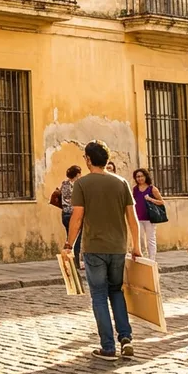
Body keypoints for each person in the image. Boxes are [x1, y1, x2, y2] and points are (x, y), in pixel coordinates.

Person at [64, 141, 141, 361]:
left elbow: (77, 218)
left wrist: (69, 244)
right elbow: (132, 219)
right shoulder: (122, 183)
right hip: (118, 247)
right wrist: (136, 246)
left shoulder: (82, 184)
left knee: (99, 295)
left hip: (94, 248)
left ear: (88, 159)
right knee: (116, 291)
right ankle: (126, 338)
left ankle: (108, 347)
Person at [131, 169, 164, 259]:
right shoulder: (135, 189)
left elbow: (161, 202)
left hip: (150, 218)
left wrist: (150, 199)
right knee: (140, 239)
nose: (140, 178)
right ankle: (143, 258)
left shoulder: (152, 189)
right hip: (138, 218)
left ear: (145, 176)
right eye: (138, 176)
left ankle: (152, 259)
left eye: (141, 176)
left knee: (151, 239)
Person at [60, 165, 83, 270]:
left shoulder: (64, 184)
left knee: (69, 238)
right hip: (74, 214)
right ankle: (75, 262)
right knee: (77, 240)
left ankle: (67, 261)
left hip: (65, 214)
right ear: (77, 174)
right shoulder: (77, 185)